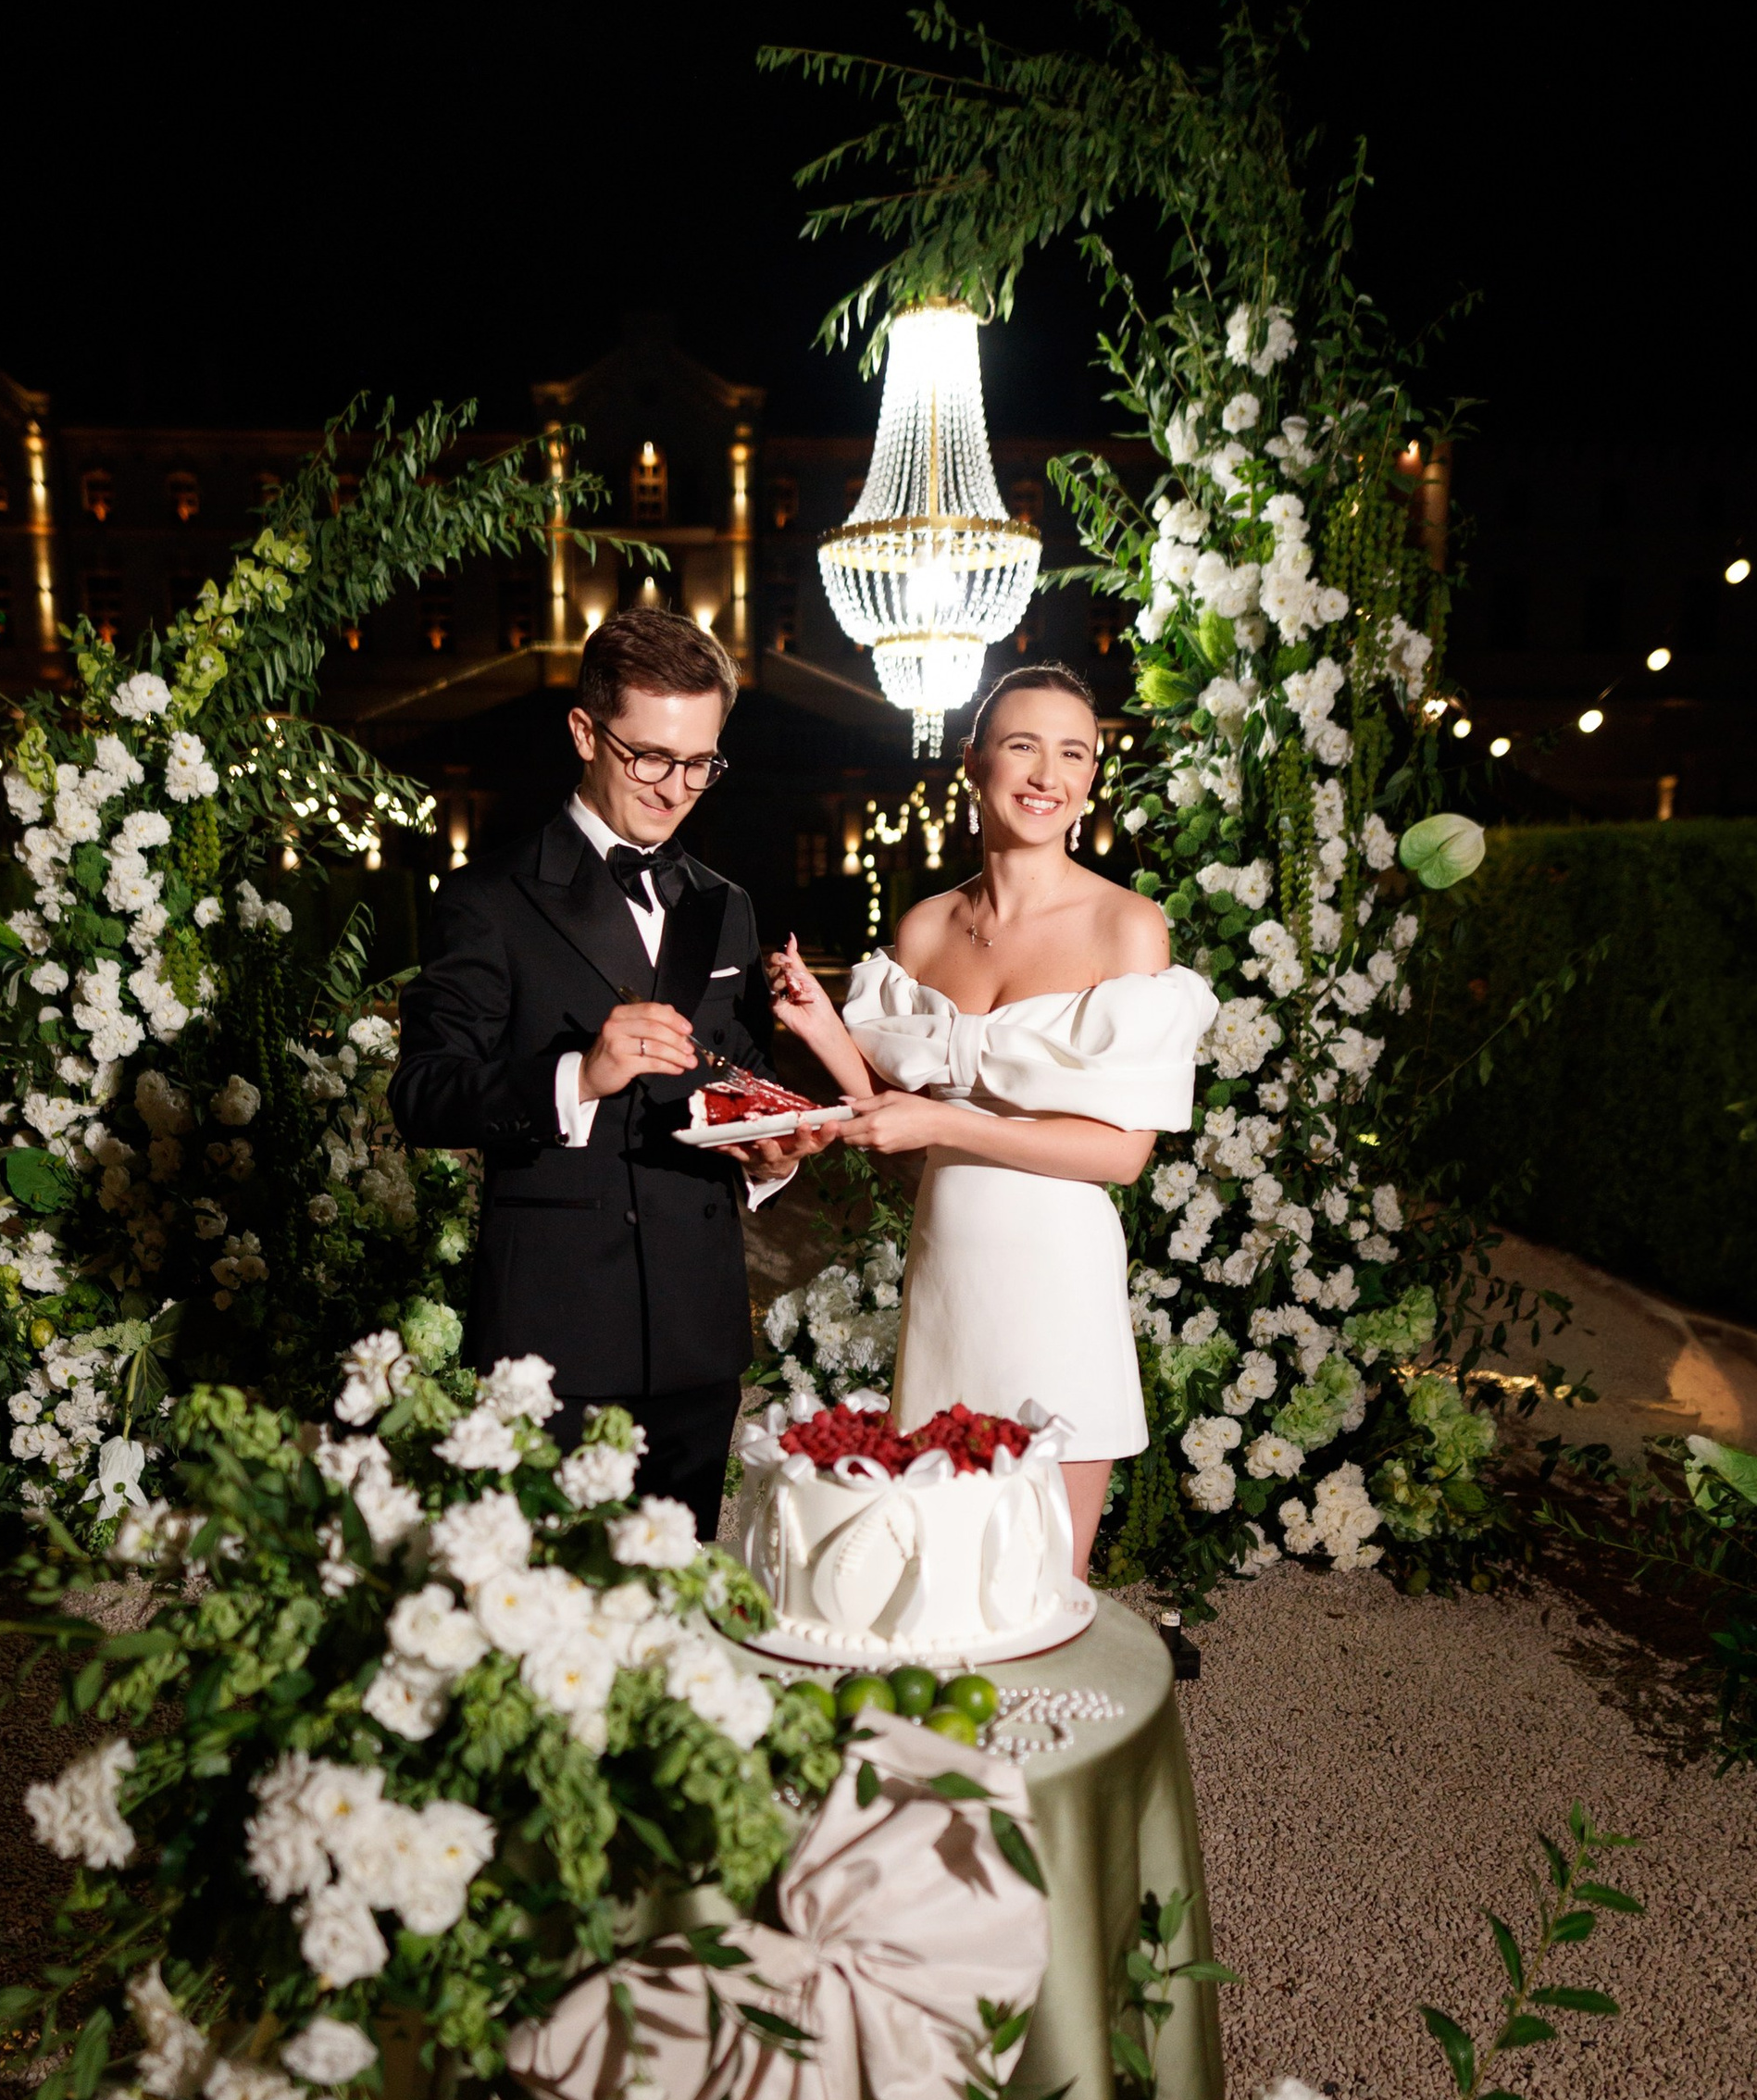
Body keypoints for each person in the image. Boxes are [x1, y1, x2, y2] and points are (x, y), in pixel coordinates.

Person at [769, 664, 1218, 1579]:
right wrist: (825, 1028)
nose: (1047, 774)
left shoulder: (1127, 928)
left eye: (1072, 752)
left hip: (1059, 1270)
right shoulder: (925, 929)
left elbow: (1121, 1156)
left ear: (1092, 776)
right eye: (1022, 746)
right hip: (948, 1269)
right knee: (932, 1572)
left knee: (1042, 1581)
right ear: (972, 763)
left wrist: (945, 1130)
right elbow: (897, 1114)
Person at [389, 609, 827, 1534]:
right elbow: (422, 1093)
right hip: (551, 1331)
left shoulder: (725, 907)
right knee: (547, 1626)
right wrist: (577, 1078)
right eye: (650, 758)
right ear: (586, 734)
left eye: (700, 761)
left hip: (699, 1328)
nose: (676, 789)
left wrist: (773, 1144)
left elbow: (733, 1070)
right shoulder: (486, 900)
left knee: (677, 1609)